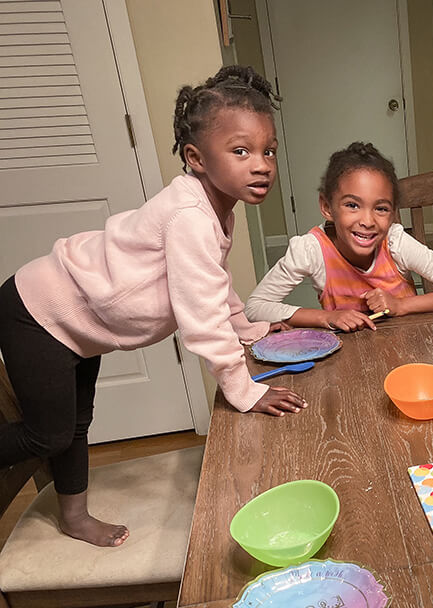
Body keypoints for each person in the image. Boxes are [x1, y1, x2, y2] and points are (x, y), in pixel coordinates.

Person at [0, 65, 307, 548]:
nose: (262, 164)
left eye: (268, 150)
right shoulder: (189, 214)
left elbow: (211, 283)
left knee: (77, 423)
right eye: (241, 151)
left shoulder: (215, 208)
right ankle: (73, 514)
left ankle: (73, 517)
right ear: (196, 158)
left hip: (78, 320)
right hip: (39, 310)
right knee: (50, 435)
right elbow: (200, 319)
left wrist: (247, 328)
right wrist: (243, 389)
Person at [245, 142, 433, 331]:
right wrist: (326, 317)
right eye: (352, 205)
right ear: (327, 207)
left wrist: (400, 305)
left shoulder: (396, 243)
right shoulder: (311, 250)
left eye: (381, 209)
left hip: (409, 351)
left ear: (393, 213)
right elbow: (255, 307)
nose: (367, 221)